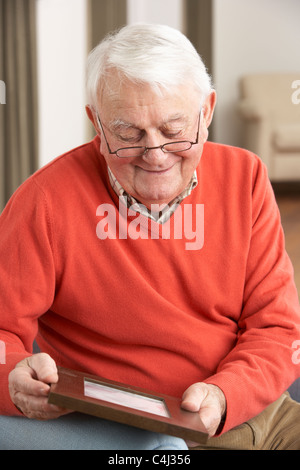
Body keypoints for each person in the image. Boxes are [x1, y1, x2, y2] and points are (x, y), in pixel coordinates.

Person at [0, 23, 300, 451]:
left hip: (255, 408)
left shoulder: (246, 178)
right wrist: (11, 376)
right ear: (97, 123)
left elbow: (277, 326)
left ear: (207, 112)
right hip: (134, 434)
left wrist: (224, 395)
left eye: (174, 130)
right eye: (128, 134)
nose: (155, 155)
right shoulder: (44, 200)